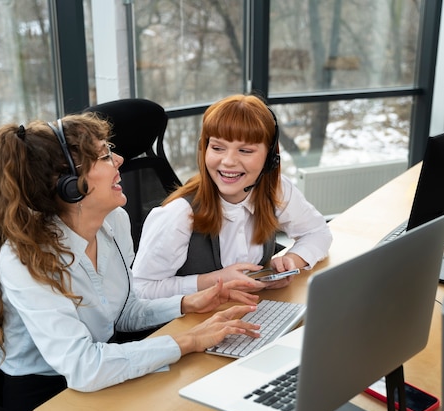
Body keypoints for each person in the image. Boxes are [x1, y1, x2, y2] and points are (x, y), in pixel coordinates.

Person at [0, 112, 261, 411]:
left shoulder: (113, 221)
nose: (120, 160)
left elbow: (124, 311)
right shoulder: (26, 255)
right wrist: (189, 340)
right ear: (67, 182)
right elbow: (82, 366)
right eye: (104, 156)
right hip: (47, 394)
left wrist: (186, 303)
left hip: (104, 366)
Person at [132, 94, 332, 299]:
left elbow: (317, 232)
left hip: (249, 310)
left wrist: (291, 261)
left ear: (270, 158)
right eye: (217, 148)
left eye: (245, 150)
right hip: (194, 324)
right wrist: (212, 282)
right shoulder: (178, 215)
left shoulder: (275, 189)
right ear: (204, 149)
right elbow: (140, 291)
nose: (228, 161)